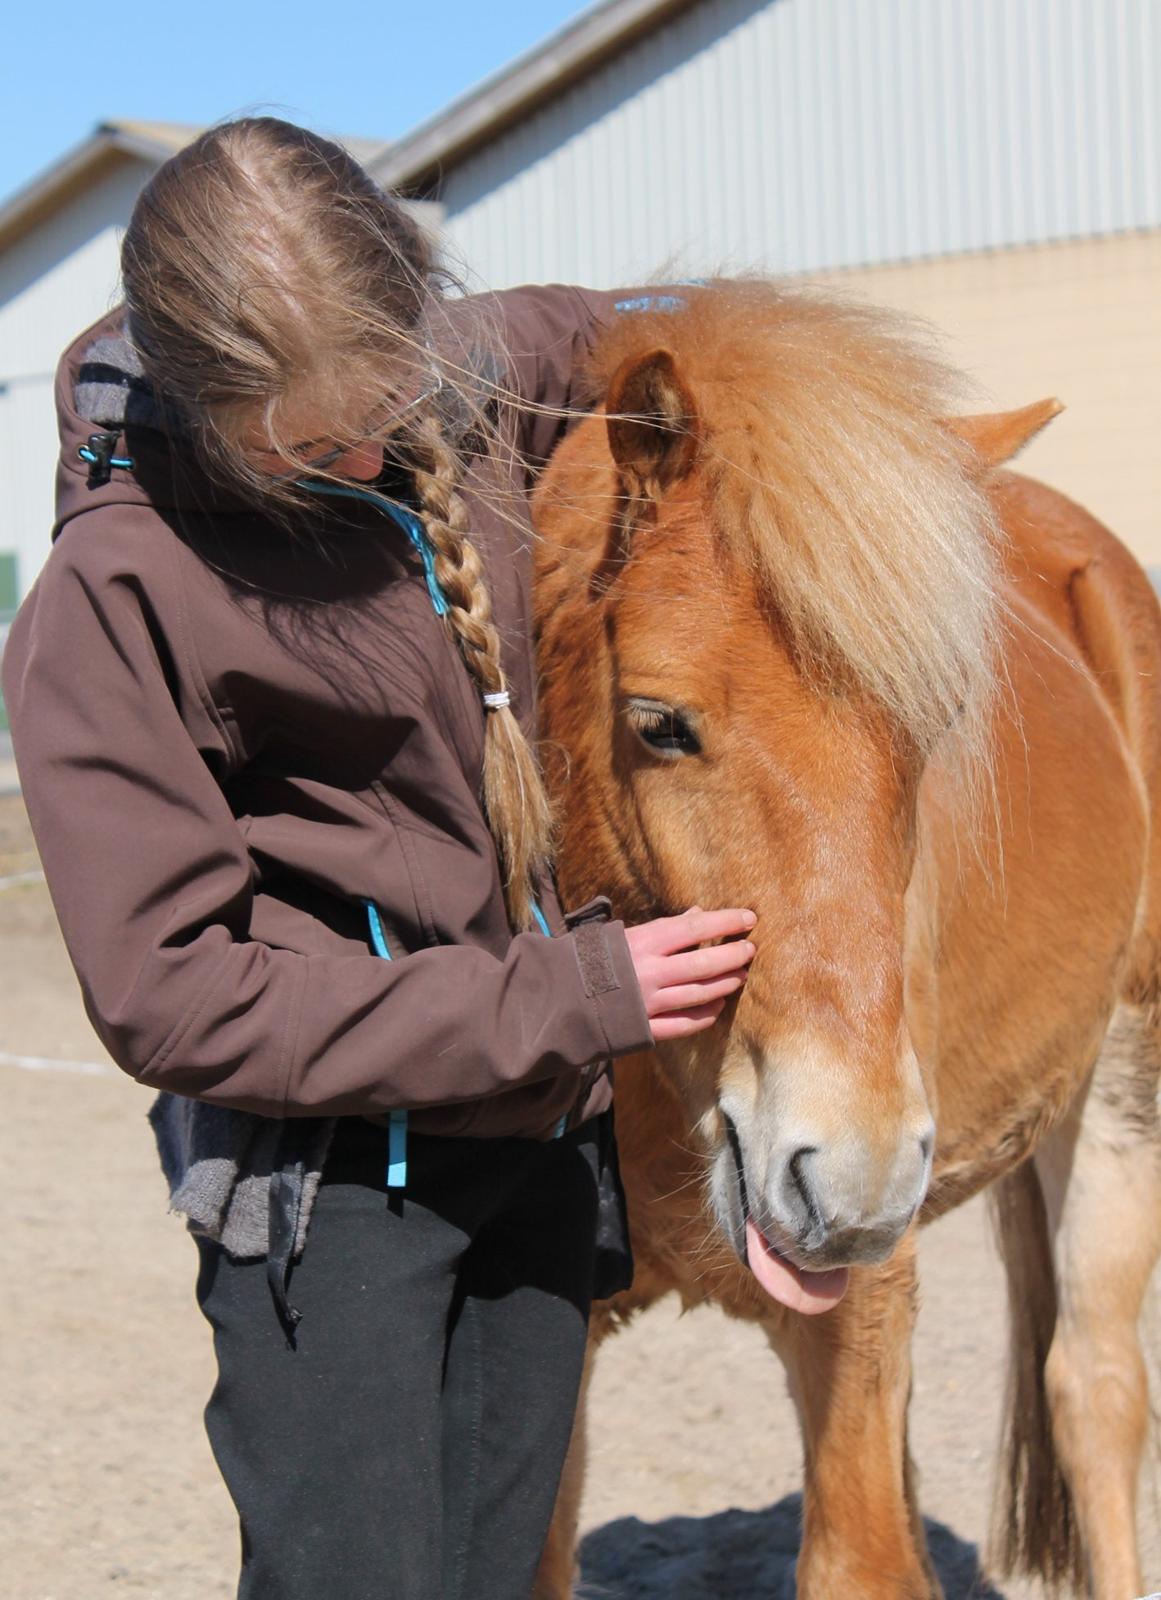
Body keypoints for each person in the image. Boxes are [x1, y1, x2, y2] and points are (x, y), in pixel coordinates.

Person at [2, 117, 756, 1600]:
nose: (362, 453)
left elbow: (662, 332)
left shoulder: (474, 365)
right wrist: (564, 1002)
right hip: (332, 1194)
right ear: (206, 401)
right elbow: (175, 1001)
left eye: (387, 401)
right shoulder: (113, 590)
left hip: (535, 1161)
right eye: (299, 446)